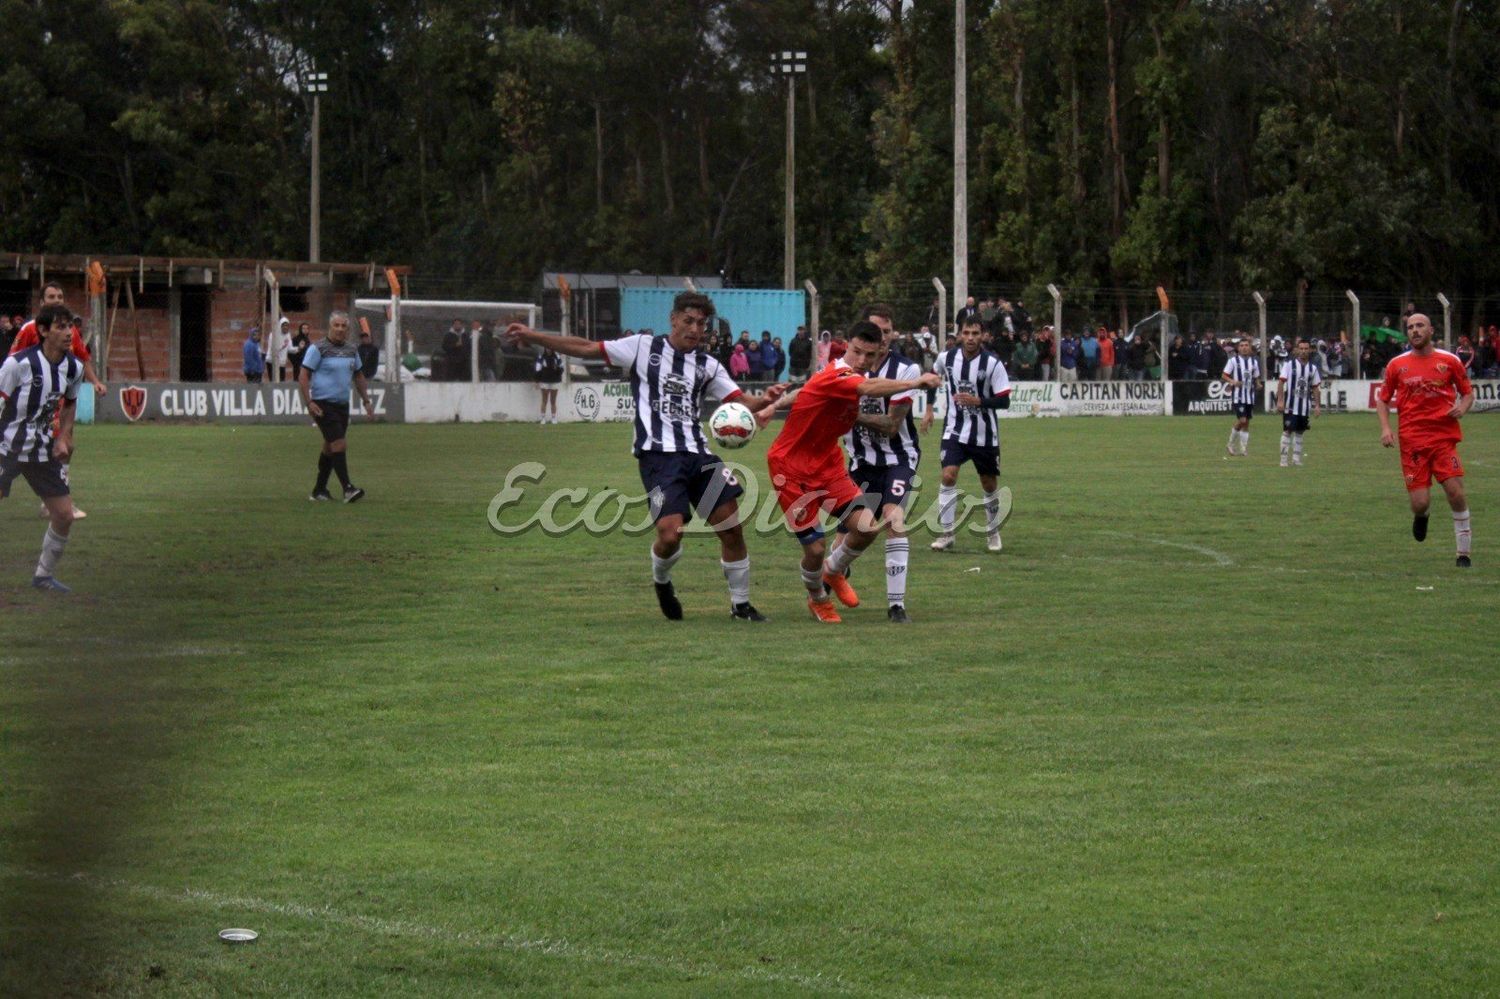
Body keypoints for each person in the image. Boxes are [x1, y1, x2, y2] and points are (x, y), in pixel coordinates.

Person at [506, 291, 786, 621]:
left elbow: (737, 400)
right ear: (673, 319)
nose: (695, 329)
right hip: (657, 457)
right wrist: (535, 336)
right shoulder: (642, 347)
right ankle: (662, 580)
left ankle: (741, 606)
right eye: (689, 321)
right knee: (670, 534)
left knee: (732, 527)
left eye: (701, 324)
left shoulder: (708, 365)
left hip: (699, 454)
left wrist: (764, 400)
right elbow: (586, 348)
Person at [765, 320, 940, 624]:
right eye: (856, 352)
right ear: (847, 345)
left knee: (867, 528)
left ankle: (833, 573)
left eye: (869, 356)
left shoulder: (839, 376)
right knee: (816, 549)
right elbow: (866, 386)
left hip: (828, 465)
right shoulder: (840, 374)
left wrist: (770, 408)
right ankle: (818, 599)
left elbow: (805, 391)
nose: (861, 361)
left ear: (878, 354)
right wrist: (916, 383)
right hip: (790, 468)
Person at [836, 305, 924, 623]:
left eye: (887, 331)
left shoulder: (905, 371)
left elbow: (891, 425)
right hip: (860, 461)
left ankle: (896, 605)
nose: (882, 337)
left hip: (899, 458)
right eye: (876, 330)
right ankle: (831, 577)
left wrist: (850, 414)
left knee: (892, 518)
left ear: (893, 333)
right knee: (850, 530)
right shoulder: (845, 368)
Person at [1377, 313, 1475, 567]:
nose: (1415, 331)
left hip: (1443, 439)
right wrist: (1386, 428)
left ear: (1431, 330)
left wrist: (1462, 409)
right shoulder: (1396, 365)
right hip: (1412, 443)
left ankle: (1463, 554)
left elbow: (1466, 393)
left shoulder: (1449, 361)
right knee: (1420, 503)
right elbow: (1383, 399)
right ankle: (1423, 515)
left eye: (1420, 326)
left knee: (1455, 492)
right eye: (1410, 327)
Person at [0, 305, 84, 592]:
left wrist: (64, 436)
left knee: (64, 514)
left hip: (41, 451)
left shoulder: (74, 367)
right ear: (44, 331)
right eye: (60, 327)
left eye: (70, 326)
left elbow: (71, 402)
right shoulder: (17, 365)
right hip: (6, 448)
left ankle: (43, 577)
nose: (68, 332)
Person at [922, 318, 1011, 553]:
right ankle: (947, 533)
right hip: (955, 430)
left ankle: (993, 532)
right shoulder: (947, 358)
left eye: (975, 333)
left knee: (989, 483)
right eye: (966, 332)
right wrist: (929, 409)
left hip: (985, 435)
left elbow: (1004, 400)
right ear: (960, 335)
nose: (970, 337)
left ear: (983, 335)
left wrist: (979, 401)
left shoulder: (992, 363)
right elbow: (932, 380)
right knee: (949, 476)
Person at [298, 310, 376, 503]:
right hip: (323, 405)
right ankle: (348, 488)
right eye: (336, 325)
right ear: (330, 327)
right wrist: (309, 402)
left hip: (342, 405)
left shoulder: (351, 349)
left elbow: (358, 375)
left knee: (330, 447)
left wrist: (366, 400)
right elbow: (304, 375)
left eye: (343, 326)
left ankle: (319, 490)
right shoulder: (318, 348)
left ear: (348, 329)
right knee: (339, 443)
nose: (340, 329)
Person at [1275, 338, 1322, 467]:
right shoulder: (1289, 365)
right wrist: (1280, 400)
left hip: (1304, 407)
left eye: (1306, 349)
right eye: (1301, 348)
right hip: (1290, 406)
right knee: (1288, 431)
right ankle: (1283, 460)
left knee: (1300, 432)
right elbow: (1281, 382)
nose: (1303, 351)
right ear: (1297, 349)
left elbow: (1315, 388)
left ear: (1310, 350)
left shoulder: (1312, 368)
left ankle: (1296, 459)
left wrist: (1317, 405)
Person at [1221, 338, 1262, 456]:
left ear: (1250, 348)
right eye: (1242, 345)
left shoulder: (1253, 362)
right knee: (1242, 420)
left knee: (1246, 422)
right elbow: (1224, 375)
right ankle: (1231, 444)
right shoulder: (1233, 361)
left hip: (1250, 396)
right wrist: (1233, 382)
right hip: (1238, 396)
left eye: (1246, 345)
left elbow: (1256, 376)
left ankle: (1243, 449)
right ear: (1238, 348)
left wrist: (1258, 384)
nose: (1244, 347)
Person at [534, 347, 562, 423]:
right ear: (545, 349)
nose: (548, 349)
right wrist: (537, 381)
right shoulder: (541, 357)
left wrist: (557, 370)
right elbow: (537, 369)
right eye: (547, 348)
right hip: (544, 381)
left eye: (550, 348)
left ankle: (554, 418)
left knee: (553, 400)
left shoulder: (557, 356)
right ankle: (543, 418)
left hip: (555, 381)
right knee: (544, 400)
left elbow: (561, 368)